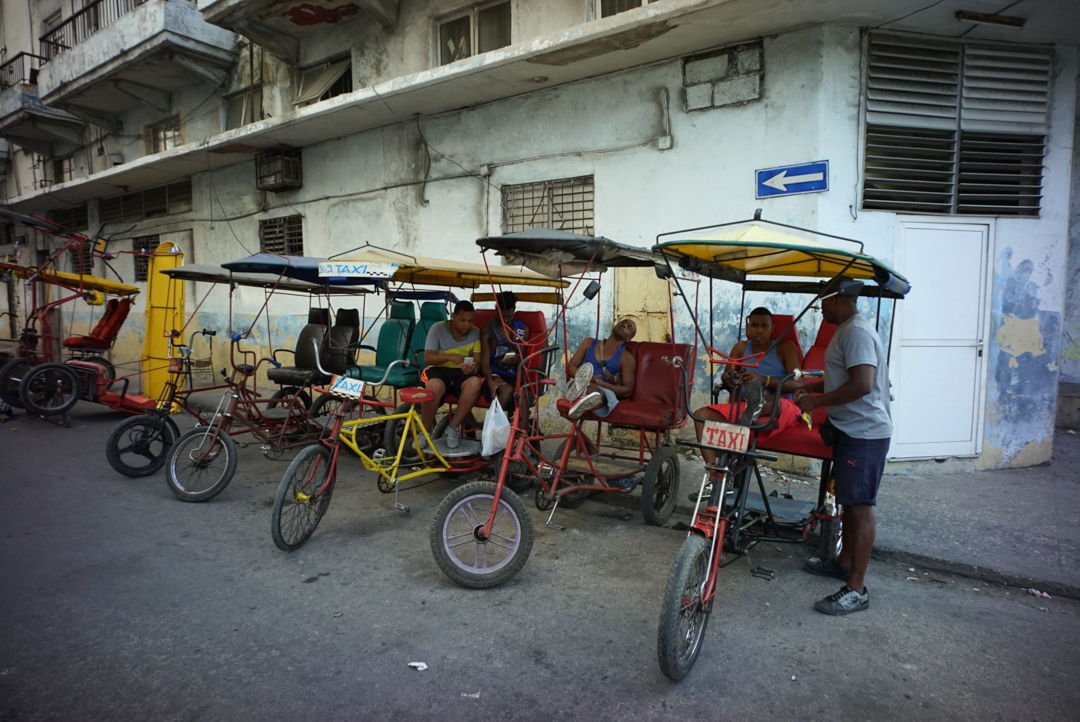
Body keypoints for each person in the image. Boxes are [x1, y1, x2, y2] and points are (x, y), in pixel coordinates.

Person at [794, 278, 892, 616]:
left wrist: (816, 401)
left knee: (860, 507)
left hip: (864, 434)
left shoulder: (856, 332)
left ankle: (857, 589)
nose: (819, 306)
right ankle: (843, 563)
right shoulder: (847, 330)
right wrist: (808, 386)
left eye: (823, 299)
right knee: (849, 504)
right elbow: (844, 377)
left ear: (837, 299)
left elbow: (862, 384)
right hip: (852, 431)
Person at [691, 307, 804, 481]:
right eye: (755, 325)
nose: (759, 330)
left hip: (781, 405)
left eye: (764, 326)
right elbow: (726, 374)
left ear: (772, 328)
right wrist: (731, 377)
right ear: (748, 328)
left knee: (774, 402)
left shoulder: (785, 347)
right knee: (700, 416)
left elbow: (798, 383)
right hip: (745, 406)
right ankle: (714, 473)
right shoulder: (741, 347)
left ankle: (753, 409)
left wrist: (763, 379)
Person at [421, 300, 482, 449]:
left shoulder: (475, 333)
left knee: (475, 383)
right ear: (453, 316)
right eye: (462, 320)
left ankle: (453, 427)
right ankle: (424, 431)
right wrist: (449, 357)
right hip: (438, 370)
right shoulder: (437, 329)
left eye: (470, 321)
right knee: (434, 386)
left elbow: (478, 361)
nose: (466, 325)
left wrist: (472, 369)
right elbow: (428, 358)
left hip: (461, 373)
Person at [563, 317, 637, 420]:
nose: (624, 325)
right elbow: (571, 367)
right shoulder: (588, 343)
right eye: (623, 322)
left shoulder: (627, 358)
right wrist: (587, 377)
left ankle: (580, 397)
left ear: (628, 339)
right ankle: (581, 397)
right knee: (578, 384)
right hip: (582, 382)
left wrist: (600, 383)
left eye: (629, 327)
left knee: (596, 392)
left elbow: (627, 391)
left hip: (604, 392)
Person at [479, 291, 529, 418]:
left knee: (522, 394)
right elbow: (484, 363)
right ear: (496, 310)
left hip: (513, 374)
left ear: (514, 311)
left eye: (510, 316)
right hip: (493, 373)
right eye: (502, 316)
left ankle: (522, 433)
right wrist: (490, 382)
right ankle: (492, 426)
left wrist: (516, 359)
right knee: (506, 391)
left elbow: (522, 361)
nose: (505, 320)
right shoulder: (487, 329)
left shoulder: (522, 329)